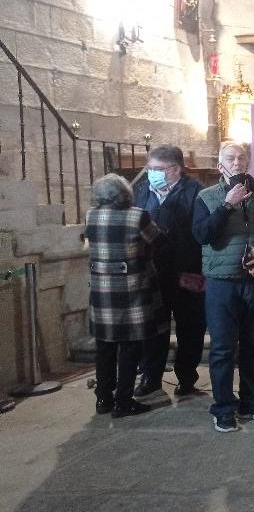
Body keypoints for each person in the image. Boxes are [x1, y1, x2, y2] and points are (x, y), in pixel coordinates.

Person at [192, 141, 254, 432]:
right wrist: (227, 205)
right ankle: (223, 407)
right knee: (222, 348)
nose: (236, 163)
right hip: (222, 283)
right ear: (220, 166)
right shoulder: (206, 197)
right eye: (230, 159)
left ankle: (251, 401)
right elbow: (201, 234)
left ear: (248, 163)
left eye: (241, 158)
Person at [86, 174, 167, 418]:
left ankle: (103, 399)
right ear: (125, 193)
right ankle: (123, 401)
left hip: (102, 290)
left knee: (104, 346)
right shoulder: (137, 215)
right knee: (130, 347)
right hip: (132, 289)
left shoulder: (91, 215)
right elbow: (158, 241)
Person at [131, 145, 205, 399]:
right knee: (153, 328)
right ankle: (151, 377)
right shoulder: (140, 192)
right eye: (150, 168)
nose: (152, 173)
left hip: (187, 272)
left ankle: (186, 377)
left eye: (158, 169)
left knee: (190, 328)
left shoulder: (196, 192)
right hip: (151, 274)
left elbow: (200, 234)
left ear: (176, 169)